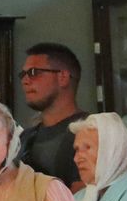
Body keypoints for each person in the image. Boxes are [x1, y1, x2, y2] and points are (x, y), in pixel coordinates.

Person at [17, 43, 88, 187]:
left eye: (33, 72)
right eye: (22, 74)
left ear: (63, 77)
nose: (25, 81)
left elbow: (85, 196)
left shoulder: (90, 132)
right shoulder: (24, 138)